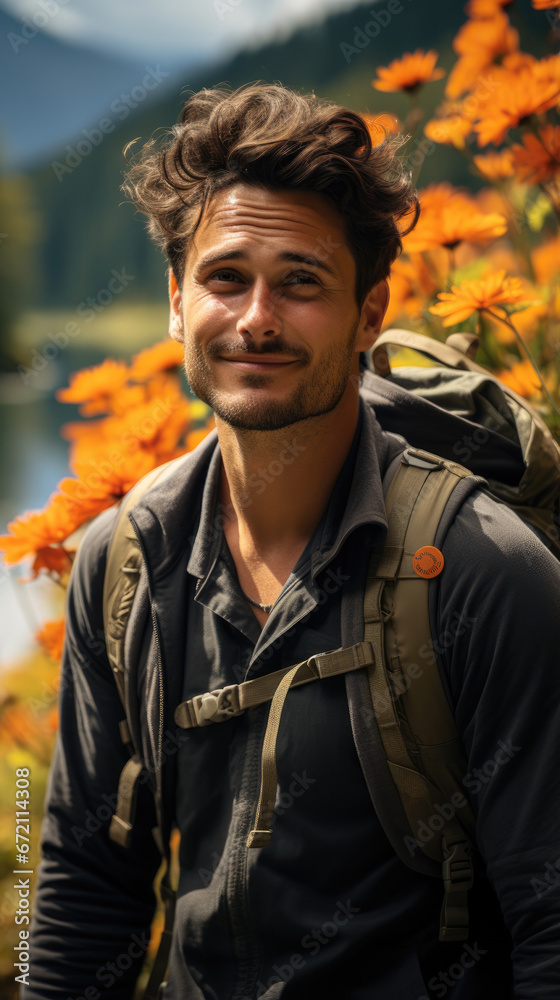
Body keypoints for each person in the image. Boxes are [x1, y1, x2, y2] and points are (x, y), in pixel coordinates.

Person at [24, 83, 560, 1000]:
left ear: (369, 314)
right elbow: (84, 886)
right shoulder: (124, 563)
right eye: (225, 276)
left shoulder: (484, 572)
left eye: (301, 281)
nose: (256, 318)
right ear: (175, 302)